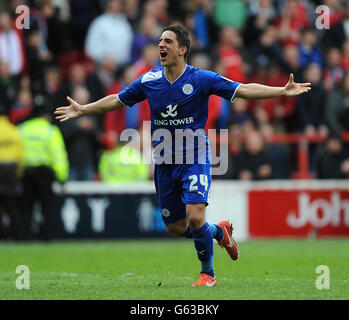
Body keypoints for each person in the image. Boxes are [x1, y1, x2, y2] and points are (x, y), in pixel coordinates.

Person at [55, 24, 311, 287]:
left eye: (167, 41)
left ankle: (207, 274)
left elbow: (242, 89)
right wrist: (83, 109)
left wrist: (281, 91)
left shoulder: (201, 79)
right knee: (176, 227)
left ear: (182, 49)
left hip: (195, 157)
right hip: (165, 162)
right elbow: (117, 100)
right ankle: (219, 232)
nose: (161, 45)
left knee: (196, 216)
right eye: (159, 41)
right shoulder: (149, 80)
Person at [19, 102, 69, 240]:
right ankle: (46, 236)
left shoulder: (22, 129)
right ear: (46, 116)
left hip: (26, 173)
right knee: (47, 207)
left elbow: (17, 153)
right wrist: (62, 176)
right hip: (44, 173)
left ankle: (25, 236)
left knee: (26, 207)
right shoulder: (50, 131)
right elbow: (58, 155)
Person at [0, 105, 24, 240]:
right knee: (11, 205)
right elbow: (20, 154)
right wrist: (19, 173)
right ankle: (18, 236)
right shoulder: (13, 130)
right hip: (10, 170)